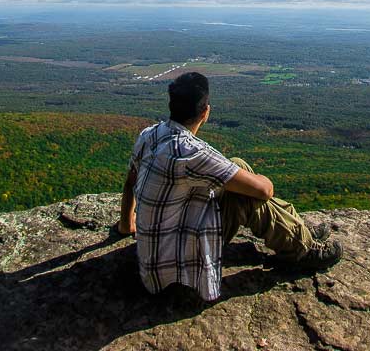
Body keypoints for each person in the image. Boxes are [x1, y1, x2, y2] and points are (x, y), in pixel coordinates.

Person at [117, 71, 342, 302]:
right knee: (244, 196)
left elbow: (130, 182)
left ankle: (297, 229)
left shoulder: (149, 134)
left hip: (154, 258)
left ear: (171, 105)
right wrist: (264, 180)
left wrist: (127, 225)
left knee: (237, 166)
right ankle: (302, 250)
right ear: (205, 112)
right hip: (176, 273)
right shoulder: (192, 152)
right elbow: (265, 191)